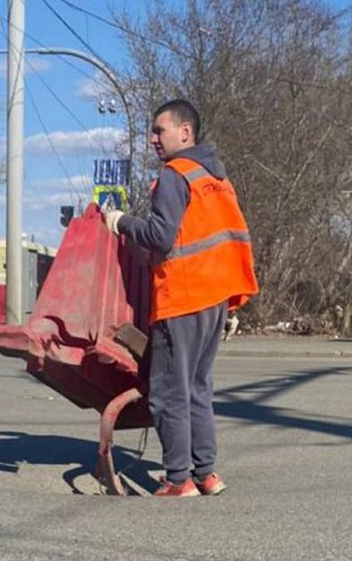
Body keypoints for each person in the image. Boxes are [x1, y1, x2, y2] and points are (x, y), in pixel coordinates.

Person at [102, 99, 259, 497]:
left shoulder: (176, 175)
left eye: (160, 130)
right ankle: (206, 474)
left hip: (184, 297)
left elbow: (160, 236)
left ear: (185, 132)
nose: (153, 139)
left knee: (169, 391)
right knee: (197, 389)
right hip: (216, 297)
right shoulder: (216, 179)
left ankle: (178, 479)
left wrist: (121, 222)